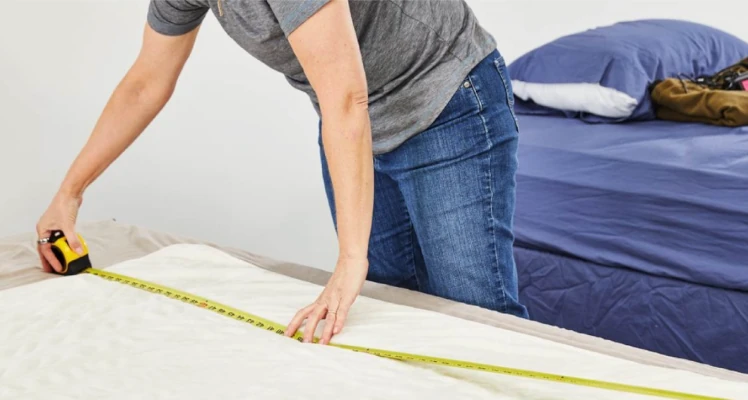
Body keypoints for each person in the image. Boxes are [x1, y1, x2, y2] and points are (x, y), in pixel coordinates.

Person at [35, 0, 529, 345]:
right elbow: (146, 82)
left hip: (444, 99)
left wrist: (350, 259)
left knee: (476, 318)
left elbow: (345, 97)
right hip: (355, 123)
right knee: (387, 310)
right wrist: (69, 194)